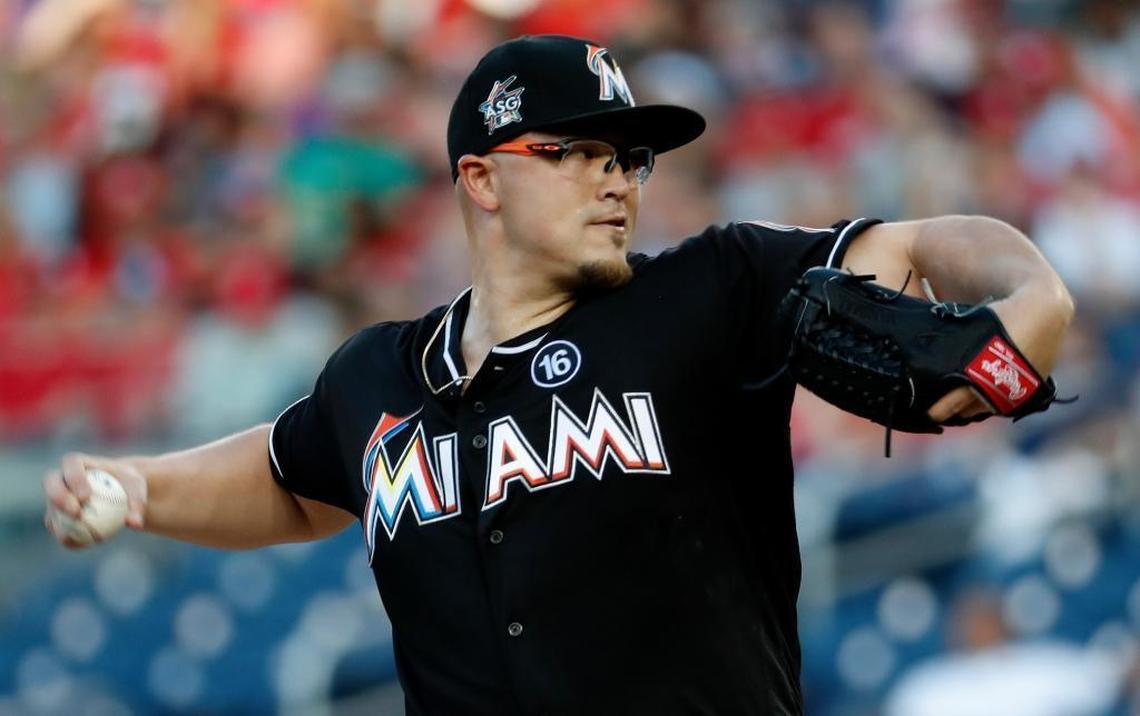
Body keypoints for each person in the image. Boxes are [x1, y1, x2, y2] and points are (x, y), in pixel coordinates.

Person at [43, 35, 1074, 715]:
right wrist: (138, 486)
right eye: (575, 152)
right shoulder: (377, 377)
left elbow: (926, 241)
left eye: (627, 157)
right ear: (482, 179)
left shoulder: (710, 291)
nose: (614, 179)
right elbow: (286, 473)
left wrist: (1032, 300)